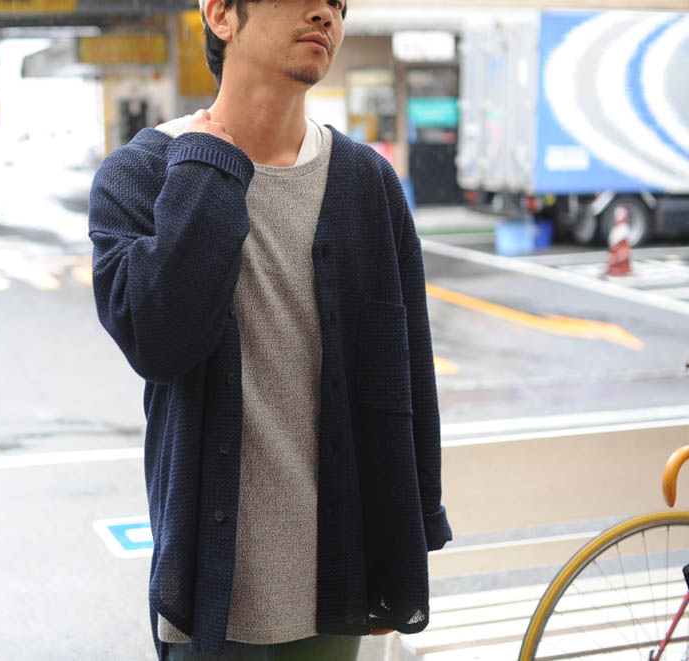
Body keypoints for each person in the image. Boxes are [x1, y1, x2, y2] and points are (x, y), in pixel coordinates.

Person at [88, 0, 453, 658]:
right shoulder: (144, 173)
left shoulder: (367, 183)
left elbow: (408, 373)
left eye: (338, 4)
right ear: (221, 15)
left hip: (339, 576)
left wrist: (409, 538)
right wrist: (206, 167)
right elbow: (159, 341)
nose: (325, 14)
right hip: (209, 587)